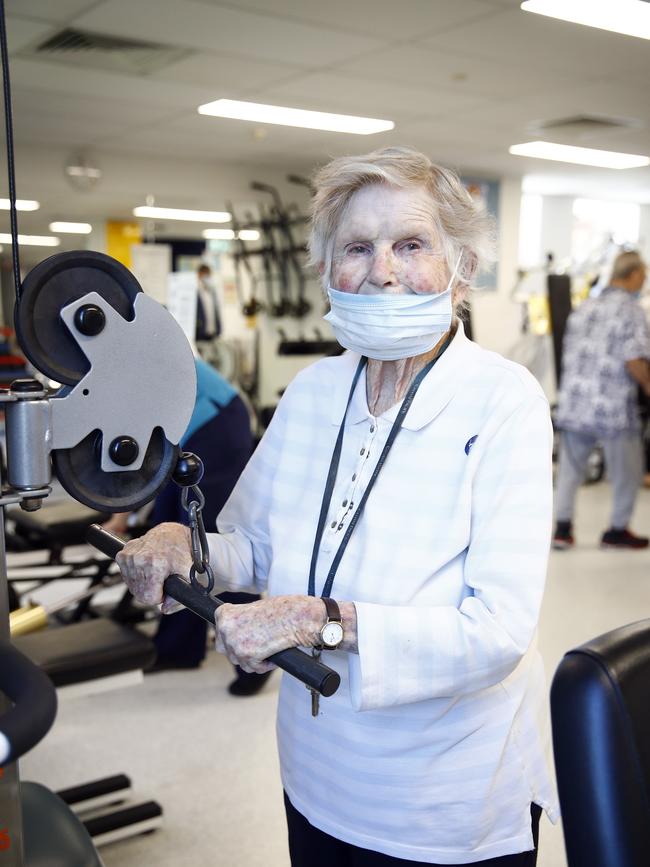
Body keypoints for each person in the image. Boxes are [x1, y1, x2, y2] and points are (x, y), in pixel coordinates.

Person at [117, 146, 558, 865]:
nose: (381, 269)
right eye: (358, 247)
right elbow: (253, 546)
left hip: (442, 803)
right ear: (329, 271)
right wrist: (183, 544)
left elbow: (499, 628)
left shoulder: (505, 401)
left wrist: (323, 621)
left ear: (462, 269)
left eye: (410, 244)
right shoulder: (315, 391)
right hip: (316, 775)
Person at [106, 357, 271, 696]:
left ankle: (259, 651)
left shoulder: (124, 354)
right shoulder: (106, 364)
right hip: (184, 430)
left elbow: (137, 450)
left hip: (215, 425)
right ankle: (179, 647)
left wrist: (120, 517)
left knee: (207, 545)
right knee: (165, 535)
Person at [553, 250, 650, 550]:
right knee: (627, 472)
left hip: (576, 404)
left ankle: (562, 529)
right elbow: (634, 358)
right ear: (632, 275)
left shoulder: (585, 307)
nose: (644, 282)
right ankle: (617, 531)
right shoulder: (631, 312)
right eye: (643, 276)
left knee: (570, 470)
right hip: (613, 409)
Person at [195, 263, 221, 342]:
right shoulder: (196, 292)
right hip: (199, 335)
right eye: (205, 274)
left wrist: (219, 329)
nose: (207, 277)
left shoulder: (212, 292)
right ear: (199, 275)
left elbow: (216, 311)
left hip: (212, 334)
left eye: (208, 275)